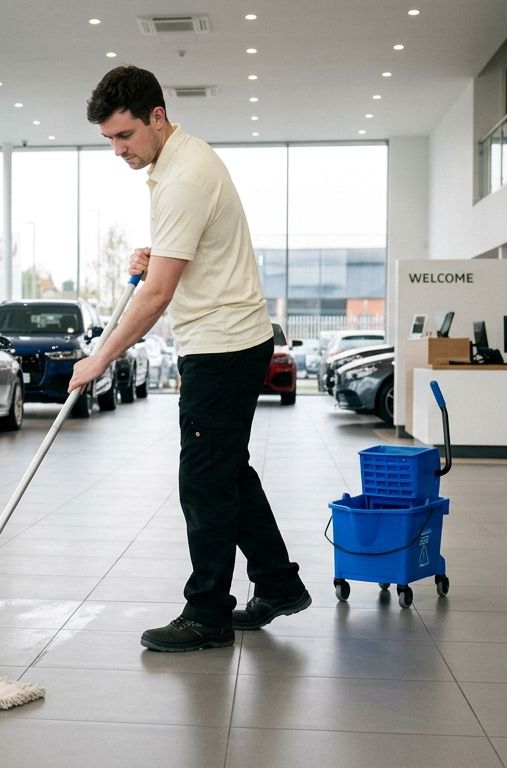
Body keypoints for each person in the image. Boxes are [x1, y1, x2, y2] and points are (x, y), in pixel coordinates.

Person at [70, 65, 311, 652]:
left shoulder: (182, 178)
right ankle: (278, 584)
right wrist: (158, 256)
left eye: (124, 136)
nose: (117, 150)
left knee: (203, 482)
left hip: (222, 344)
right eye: (108, 140)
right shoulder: (182, 162)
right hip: (233, 335)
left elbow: (157, 296)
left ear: (157, 117)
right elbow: (184, 258)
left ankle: (207, 613)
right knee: (226, 470)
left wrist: (100, 358)